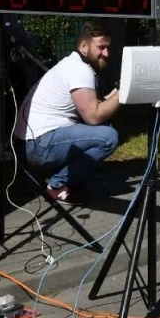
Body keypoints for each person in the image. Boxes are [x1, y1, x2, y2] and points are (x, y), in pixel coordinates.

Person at [15, 21, 120, 204]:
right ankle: (57, 186)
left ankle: (66, 178)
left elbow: (95, 106)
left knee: (104, 129)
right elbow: (93, 117)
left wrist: (119, 90)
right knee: (108, 136)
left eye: (107, 47)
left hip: (31, 142)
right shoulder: (79, 70)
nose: (106, 53)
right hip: (37, 146)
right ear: (84, 46)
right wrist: (123, 93)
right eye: (101, 47)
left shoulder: (74, 64)